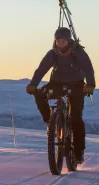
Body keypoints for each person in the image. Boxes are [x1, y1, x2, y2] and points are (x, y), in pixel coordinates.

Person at [26, 26, 95, 163]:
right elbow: (41, 69)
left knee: (76, 118)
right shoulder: (52, 53)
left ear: (69, 41)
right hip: (56, 83)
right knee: (39, 94)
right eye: (58, 40)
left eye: (63, 40)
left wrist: (90, 85)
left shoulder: (78, 52)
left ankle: (78, 152)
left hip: (76, 84)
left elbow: (88, 68)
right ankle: (51, 122)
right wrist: (33, 84)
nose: (60, 43)